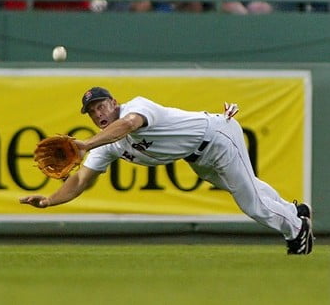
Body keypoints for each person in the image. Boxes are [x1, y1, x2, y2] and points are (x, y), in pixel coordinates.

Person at [20, 87, 314, 255]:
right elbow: (81, 180)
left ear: (114, 103)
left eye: (101, 107)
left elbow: (129, 125)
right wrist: (48, 201)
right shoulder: (106, 144)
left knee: (250, 202)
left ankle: (298, 230)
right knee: (247, 188)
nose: (98, 114)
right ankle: (294, 210)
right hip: (196, 156)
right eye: (92, 112)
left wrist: (84, 144)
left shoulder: (136, 107)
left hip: (217, 136)